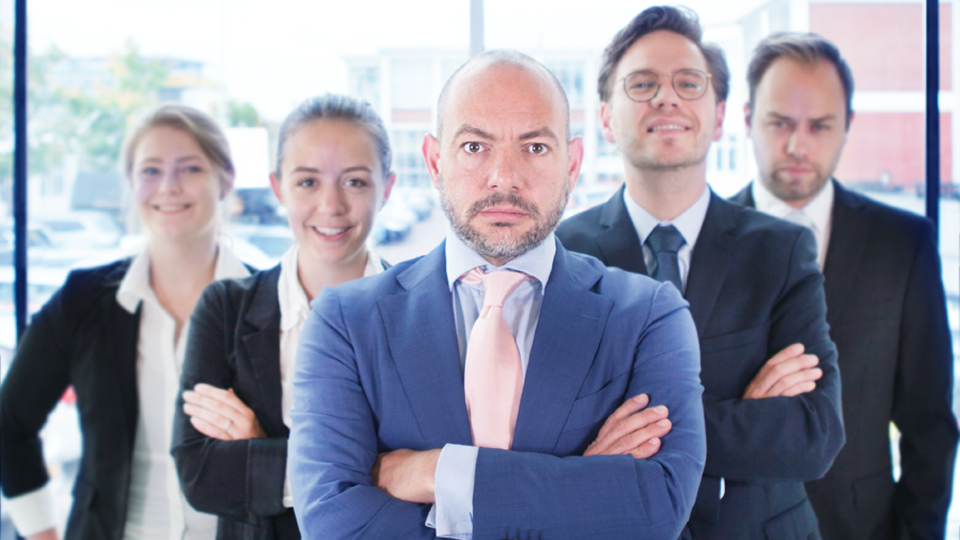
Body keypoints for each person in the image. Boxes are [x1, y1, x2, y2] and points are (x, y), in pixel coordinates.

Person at [288, 50, 707, 540]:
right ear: (434, 160)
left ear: (571, 164)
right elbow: (332, 523)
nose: (504, 178)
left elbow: (658, 507)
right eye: (474, 147)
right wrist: (579, 486)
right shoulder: (346, 321)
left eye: (534, 149)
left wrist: (437, 474)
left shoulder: (649, 316)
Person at [556, 7, 844, 539]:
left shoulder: (781, 251)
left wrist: (625, 428)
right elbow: (548, 435)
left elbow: (815, 433)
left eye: (689, 83)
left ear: (719, 114)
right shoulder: (562, 256)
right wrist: (742, 412)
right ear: (604, 116)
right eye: (642, 84)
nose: (667, 97)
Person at [731, 32, 958, 540]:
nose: (797, 145)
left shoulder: (903, 244)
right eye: (780, 123)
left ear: (848, 125)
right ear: (748, 120)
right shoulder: (699, 239)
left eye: (820, 126)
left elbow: (930, 426)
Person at [0, 104, 250, 540]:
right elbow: (9, 426)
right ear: (131, 183)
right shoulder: (83, 302)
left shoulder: (270, 304)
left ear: (225, 178)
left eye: (190, 168)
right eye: (151, 170)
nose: (168, 187)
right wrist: (40, 532)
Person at [170, 94, 395, 540]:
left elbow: (433, 472)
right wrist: (371, 471)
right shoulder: (226, 310)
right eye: (308, 182)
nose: (331, 205)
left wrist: (261, 449)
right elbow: (201, 473)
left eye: (354, 182)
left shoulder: (422, 312)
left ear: (385, 189)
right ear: (278, 189)